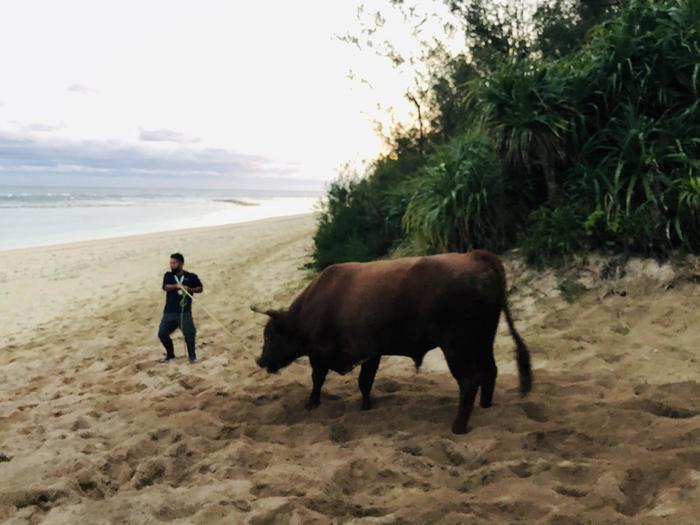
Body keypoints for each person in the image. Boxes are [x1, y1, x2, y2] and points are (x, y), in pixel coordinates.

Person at [158, 253, 203, 363]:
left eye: (174, 263)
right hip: (169, 311)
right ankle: (170, 354)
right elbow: (165, 287)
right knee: (162, 333)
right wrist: (176, 286)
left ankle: (192, 357)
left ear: (181, 263)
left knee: (189, 334)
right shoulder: (168, 275)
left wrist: (189, 289)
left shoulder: (191, 276)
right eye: (170, 263)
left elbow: (200, 288)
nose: (171, 265)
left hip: (184, 312)